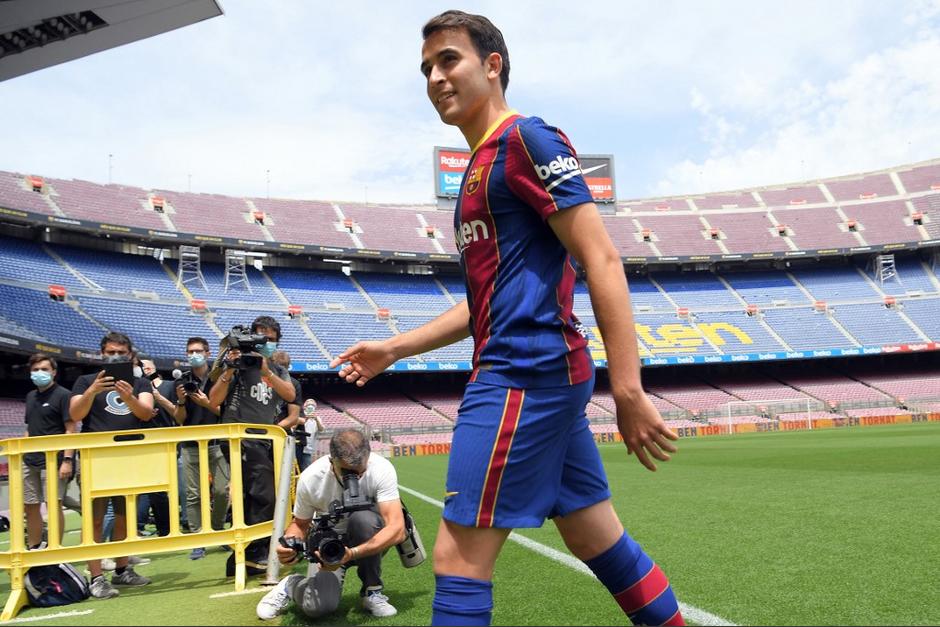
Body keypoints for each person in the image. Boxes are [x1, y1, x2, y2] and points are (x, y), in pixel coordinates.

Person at [330, 11, 683, 626]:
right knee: (594, 536)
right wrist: (396, 348)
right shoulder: (476, 169)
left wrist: (627, 388)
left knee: (457, 559)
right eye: (426, 69)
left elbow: (599, 256)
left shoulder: (526, 139)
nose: (436, 77)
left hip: (524, 373)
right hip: (536, 372)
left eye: (449, 60)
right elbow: (484, 302)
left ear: (493, 65)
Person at [256, 429, 404, 620]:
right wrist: (290, 544)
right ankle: (291, 585)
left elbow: (397, 528)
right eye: (348, 472)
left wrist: (352, 553)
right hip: (329, 543)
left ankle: (372, 591)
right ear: (331, 461)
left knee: (364, 520)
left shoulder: (381, 468)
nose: (356, 477)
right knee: (317, 608)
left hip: (365, 534)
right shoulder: (311, 478)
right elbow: (300, 524)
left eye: (361, 470)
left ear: (368, 455)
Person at [70, 332, 154, 599]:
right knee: (94, 517)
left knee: (125, 516)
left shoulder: (139, 382)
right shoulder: (85, 381)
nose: (114, 356)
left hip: (128, 456)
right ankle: (96, 577)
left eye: (120, 352)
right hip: (96, 457)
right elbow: (74, 414)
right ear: (101, 354)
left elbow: (145, 413)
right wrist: (93, 390)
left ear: (130, 355)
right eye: (109, 352)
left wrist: (128, 397)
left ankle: (122, 569)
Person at [209, 315, 296, 572]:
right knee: (263, 490)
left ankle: (242, 556)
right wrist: (230, 369)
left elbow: (290, 394)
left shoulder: (277, 370)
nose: (266, 342)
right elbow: (214, 400)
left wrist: (267, 371)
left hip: (264, 440)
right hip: (240, 437)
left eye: (270, 339)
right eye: (261, 338)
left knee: (251, 494)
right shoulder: (239, 367)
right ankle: (257, 548)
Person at [174, 337, 227, 561]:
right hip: (190, 444)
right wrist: (181, 401)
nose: (193, 354)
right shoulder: (182, 380)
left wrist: (207, 403)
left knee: (222, 491)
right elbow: (179, 419)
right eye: (190, 351)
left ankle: (216, 529)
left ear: (207, 353)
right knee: (193, 494)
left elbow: (223, 413)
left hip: (216, 442)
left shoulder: (217, 378)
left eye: (197, 351)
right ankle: (199, 539)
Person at [22, 353, 74, 549]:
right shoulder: (30, 396)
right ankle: (35, 548)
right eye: (35, 370)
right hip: (29, 460)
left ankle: (54, 548)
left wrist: (67, 460)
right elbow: (30, 427)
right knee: (30, 506)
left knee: (54, 505)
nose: (39, 373)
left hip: (54, 460)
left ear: (54, 372)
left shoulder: (63, 395)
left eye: (44, 369)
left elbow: (70, 429)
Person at [271, 350, 302, 432]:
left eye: (284, 367)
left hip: (279, 432)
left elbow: (293, 417)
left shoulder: (294, 384)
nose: (281, 371)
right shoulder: (263, 378)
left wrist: (273, 429)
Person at [296, 399, 324, 471]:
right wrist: (306, 418)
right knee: (295, 468)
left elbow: (321, 429)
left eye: (313, 404)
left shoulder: (317, 418)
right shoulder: (300, 415)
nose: (310, 405)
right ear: (304, 406)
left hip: (308, 449)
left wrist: (316, 419)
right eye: (308, 403)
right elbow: (295, 426)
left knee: (306, 469)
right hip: (297, 445)